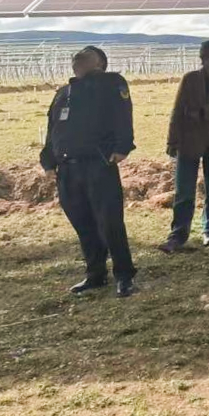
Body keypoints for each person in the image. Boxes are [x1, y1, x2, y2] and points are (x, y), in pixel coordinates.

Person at [39, 46, 138, 297]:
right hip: (67, 169)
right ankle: (95, 274)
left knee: (110, 222)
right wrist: (48, 161)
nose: (79, 56)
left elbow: (123, 115)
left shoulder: (111, 84)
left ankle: (124, 275)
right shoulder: (64, 92)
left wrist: (122, 146)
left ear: (100, 63)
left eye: (87, 54)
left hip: (98, 164)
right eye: (77, 56)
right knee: (82, 223)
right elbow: (53, 129)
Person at [159, 41, 209, 252]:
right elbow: (177, 111)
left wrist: (205, 112)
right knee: (184, 191)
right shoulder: (190, 79)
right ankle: (177, 235)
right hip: (189, 140)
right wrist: (172, 140)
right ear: (202, 58)